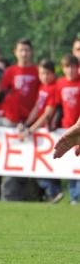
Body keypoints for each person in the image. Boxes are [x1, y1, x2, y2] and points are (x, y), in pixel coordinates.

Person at [0, 38, 41, 201]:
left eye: (27, 50)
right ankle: (9, 195)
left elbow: (42, 97)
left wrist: (32, 121)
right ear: (15, 52)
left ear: (32, 52)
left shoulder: (38, 71)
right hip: (12, 123)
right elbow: (0, 96)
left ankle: (35, 195)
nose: (24, 53)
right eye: (21, 50)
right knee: (12, 159)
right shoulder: (9, 72)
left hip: (33, 122)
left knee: (33, 159)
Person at [18, 58, 62, 203]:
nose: (44, 76)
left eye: (47, 73)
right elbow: (37, 108)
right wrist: (26, 124)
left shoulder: (55, 87)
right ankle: (50, 193)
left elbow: (47, 113)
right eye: (42, 73)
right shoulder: (42, 87)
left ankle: (54, 191)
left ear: (53, 74)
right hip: (41, 133)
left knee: (47, 164)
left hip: (49, 132)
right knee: (38, 164)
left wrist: (30, 130)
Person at [54, 54, 80, 204]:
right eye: (67, 67)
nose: (70, 70)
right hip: (66, 128)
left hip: (78, 129)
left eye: (73, 67)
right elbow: (57, 107)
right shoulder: (60, 84)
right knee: (70, 164)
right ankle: (74, 196)